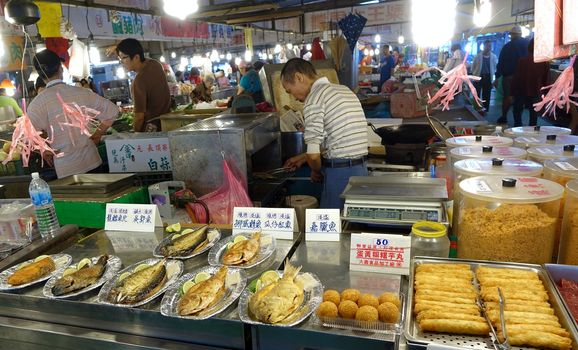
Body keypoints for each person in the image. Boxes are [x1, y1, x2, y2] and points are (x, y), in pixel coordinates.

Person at [281, 58, 368, 209]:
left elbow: (314, 155)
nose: (293, 97)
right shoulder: (344, 90)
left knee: (331, 229)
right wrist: (302, 158)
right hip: (361, 171)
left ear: (298, 77)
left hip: (340, 175)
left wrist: (315, 171)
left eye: (290, 91)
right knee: (351, 226)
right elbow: (336, 140)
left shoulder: (314, 99)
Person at [27, 49, 118, 179]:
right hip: (92, 161)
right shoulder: (82, 92)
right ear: (61, 69)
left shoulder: (37, 104)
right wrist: (98, 134)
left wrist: (45, 150)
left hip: (67, 170)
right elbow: (113, 111)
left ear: (40, 75)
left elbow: (27, 138)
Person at [116, 38, 171, 132]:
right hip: (167, 124)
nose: (122, 62)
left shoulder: (138, 82)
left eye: (124, 58)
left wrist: (135, 134)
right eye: (120, 59)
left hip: (151, 131)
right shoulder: (155, 64)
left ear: (136, 57)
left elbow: (139, 117)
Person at [494, 26, 529, 124]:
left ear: (512, 35)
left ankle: (504, 117)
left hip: (509, 77)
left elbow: (501, 62)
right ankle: (518, 121)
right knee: (520, 98)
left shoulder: (507, 46)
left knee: (508, 97)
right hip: (523, 78)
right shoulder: (528, 44)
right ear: (521, 34)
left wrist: (497, 77)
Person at [511, 39, 549, 127]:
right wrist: (546, 93)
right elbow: (546, 79)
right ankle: (533, 131)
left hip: (521, 89)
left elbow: (516, 77)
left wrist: (512, 92)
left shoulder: (522, 60)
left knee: (517, 110)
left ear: (529, 47)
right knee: (534, 113)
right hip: (536, 90)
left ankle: (517, 127)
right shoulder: (544, 61)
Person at [471, 40, 498, 111]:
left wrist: (494, 79)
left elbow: (495, 68)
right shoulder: (478, 56)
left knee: (487, 94)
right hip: (478, 77)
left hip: (488, 77)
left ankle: (485, 109)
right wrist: (475, 74)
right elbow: (473, 67)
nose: (489, 47)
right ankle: (476, 108)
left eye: (490, 46)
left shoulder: (494, 57)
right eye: (487, 46)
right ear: (484, 46)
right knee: (476, 94)